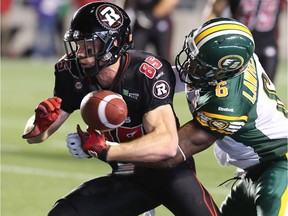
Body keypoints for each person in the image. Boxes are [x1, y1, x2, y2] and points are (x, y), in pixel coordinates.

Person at [22, 2, 220, 215]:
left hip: (167, 172)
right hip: (126, 176)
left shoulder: (146, 71)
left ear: (113, 43)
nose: (79, 53)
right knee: (64, 213)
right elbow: (36, 136)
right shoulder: (71, 71)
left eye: (88, 45)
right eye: (77, 44)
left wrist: (106, 149)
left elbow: (167, 144)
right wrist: (37, 125)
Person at [161, 17, 288, 215]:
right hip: (256, 171)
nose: (191, 64)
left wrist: (115, 150)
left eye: (199, 63)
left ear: (223, 70)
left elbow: (171, 151)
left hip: (280, 166)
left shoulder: (229, 103)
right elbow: (176, 78)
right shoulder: (233, 65)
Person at [203, 0, 287, 82]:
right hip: (238, 45)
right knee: (232, 87)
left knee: (266, 90)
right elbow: (214, 10)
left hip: (268, 44)